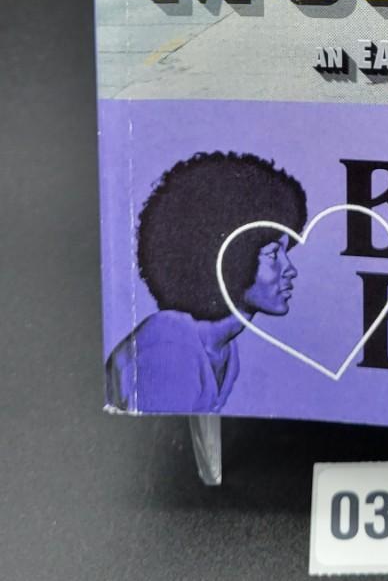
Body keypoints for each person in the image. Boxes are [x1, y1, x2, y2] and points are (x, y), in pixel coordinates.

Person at [105, 151, 307, 413]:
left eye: (285, 252)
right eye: (272, 254)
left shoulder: (224, 351)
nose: (290, 270)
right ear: (231, 258)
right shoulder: (170, 347)